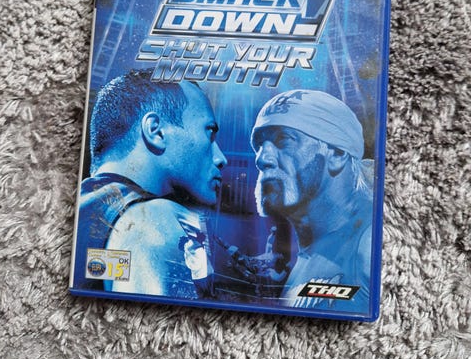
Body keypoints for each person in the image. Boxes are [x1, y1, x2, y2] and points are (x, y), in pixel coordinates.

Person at [73, 71, 227, 299]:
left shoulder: (76, 211)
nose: (221, 158)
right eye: (210, 133)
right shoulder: (156, 220)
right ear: (156, 131)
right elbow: (158, 321)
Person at [250, 89, 374, 313]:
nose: (261, 158)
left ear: (337, 154)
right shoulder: (311, 252)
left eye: (284, 140)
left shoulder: (370, 242)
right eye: (259, 145)